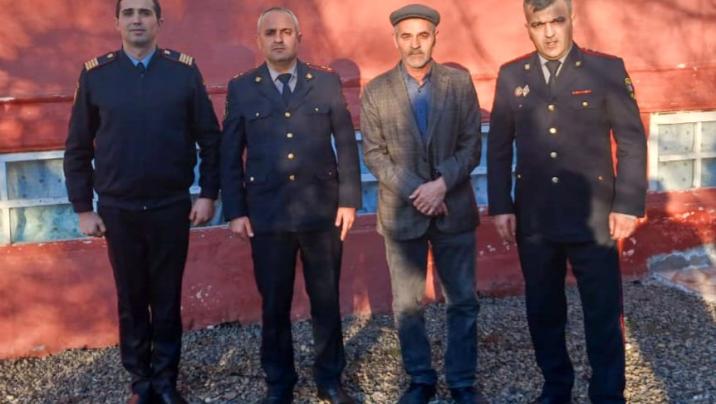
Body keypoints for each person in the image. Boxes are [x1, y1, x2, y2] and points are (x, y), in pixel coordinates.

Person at [487, 0, 647, 403]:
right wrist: (501, 205)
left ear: (571, 20)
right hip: (535, 218)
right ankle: (556, 387)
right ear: (528, 27)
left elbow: (631, 140)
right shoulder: (512, 75)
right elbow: (499, 148)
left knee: (602, 311)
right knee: (543, 310)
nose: (549, 32)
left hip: (593, 215)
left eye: (557, 21)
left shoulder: (605, 70)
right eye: (538, 24)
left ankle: (607, 393)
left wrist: (627, 204)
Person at [63, 0, 220, 402]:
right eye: (129, 12)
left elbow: (210, 139)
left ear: (158, 22)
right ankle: (141, 383)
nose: (137, 19)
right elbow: (78, 147)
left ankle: (165, 382)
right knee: (131, 301)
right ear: (116, 22)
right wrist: (83, 207)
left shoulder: (183, 72)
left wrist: (207, 194)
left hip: (171, 206)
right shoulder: (97, 75)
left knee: (166, 300)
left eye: (145, 12)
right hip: (119, 210)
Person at [220, 7, 361, 404]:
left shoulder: (326, 82)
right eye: (270, 33)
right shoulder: (242, 88)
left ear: (299, 37)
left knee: (326, 301)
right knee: (274, 305)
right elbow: (230, 153)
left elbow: (346, 142)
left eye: (285, 31)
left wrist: (349, 199)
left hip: (322, 212)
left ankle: (329, 380)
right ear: (259, 40)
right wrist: (235, 210)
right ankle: (279, 383)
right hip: (267, 216)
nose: (278, 38)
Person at [360, 4, 485, 404]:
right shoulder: (376, 91)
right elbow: (374, 154)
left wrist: (442, 184)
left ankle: (462, 381)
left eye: (423, 35)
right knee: (407, 304)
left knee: (462, 301)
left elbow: (472, 145)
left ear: (435, 37)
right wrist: (420, 190)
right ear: (395, 39)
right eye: (407, 36)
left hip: (455, 209)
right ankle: (420, 379)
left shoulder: (458, 83)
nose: (415, 44)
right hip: (402, 213)